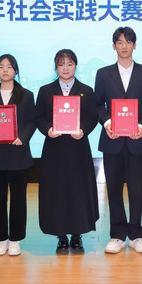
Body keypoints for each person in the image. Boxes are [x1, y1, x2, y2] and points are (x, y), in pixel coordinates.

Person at [94, 26, 142, 254]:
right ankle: (117, 235)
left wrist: (141, 126)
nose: (124, 46)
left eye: (128, 41)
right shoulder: (103, 73)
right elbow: (97, 105)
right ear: (114, 46)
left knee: (136, 189)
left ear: (134, 45)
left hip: (137, 140)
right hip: (112, 140)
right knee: (113, 188)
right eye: (120, 42)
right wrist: (107, 123)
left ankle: (137, 234)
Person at [36, 49, 99, 255]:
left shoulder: (86, 91)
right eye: (61, 64)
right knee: (57, 192)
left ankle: (77, 235)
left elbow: (93, 117)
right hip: (54, 150)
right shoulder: (45, 91)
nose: (65, 68)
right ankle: (61, 236)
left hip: (78, 149)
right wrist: (48, 129)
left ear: (75, 66)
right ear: (55, 67)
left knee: (78, 192)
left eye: (69, 64)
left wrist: (83, 130)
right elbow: (39, 117)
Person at [0, 54, 36, 257]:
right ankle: (1, 238)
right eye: (1, 67)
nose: (5, 70)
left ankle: (15, 239)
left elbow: (32, 121)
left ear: (16, 70)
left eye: (9, 66)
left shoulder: (26, 95)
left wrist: (23, 137)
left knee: (18, 200)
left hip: (18, 154)